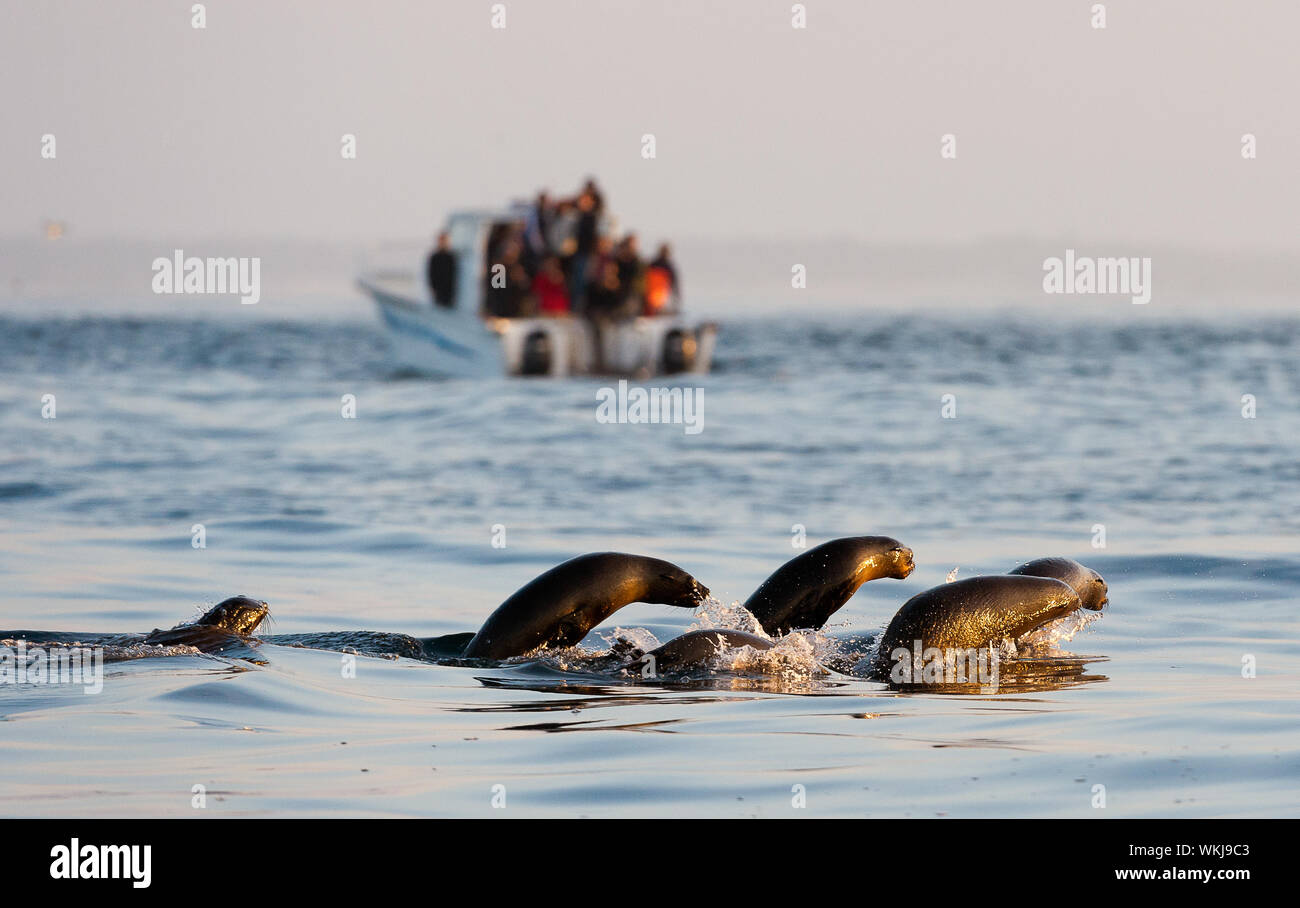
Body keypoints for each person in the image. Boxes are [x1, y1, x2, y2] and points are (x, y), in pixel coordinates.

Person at [644, 242, 680, 314]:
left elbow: (674, 284)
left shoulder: (654, 264)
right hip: (653, 294)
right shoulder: (658, 265)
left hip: (659, 295)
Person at [426, 232, 458, 308]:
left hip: (449, 290)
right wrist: (433, 288)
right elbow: (431, 273)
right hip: (439, 289)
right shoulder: (435, 257)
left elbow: (453, 274)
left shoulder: (451, 256)